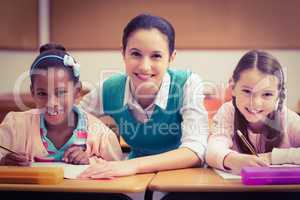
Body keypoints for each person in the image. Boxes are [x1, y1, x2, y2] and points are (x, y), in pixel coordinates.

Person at [79, 13, 208, 178]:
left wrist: (132, 166)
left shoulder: (188, 84)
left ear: (171, 57)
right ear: (123, 53)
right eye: (135, 54)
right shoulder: (109, 88)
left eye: (156, 56)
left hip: (182, 178)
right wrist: (91, 130)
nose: (145, 66)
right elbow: (75, 117)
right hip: (135, 180)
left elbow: (196, 151)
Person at [0, 43, 123, 166]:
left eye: (61, 93)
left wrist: (90, 162)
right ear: (33, 92)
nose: (51, 103)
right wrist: (3, 162)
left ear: (77, 92)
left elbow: (119, 173)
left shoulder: (101, 136)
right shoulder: (15, 127)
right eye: (42, 93)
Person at [206, 50, 300, 174]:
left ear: (278, 95)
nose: (255, 103)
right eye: (247, 91)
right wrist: (234, 160)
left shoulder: (286, 117)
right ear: (233, 87)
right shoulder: (228, 111)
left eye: (267, 94)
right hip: (235, 191)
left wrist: (272, 157)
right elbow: (212, 150)